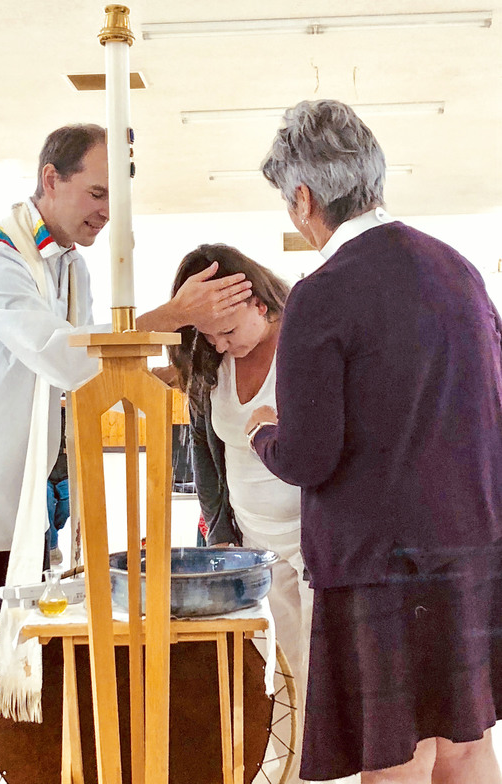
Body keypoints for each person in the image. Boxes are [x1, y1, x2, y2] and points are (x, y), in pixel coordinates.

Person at [0, 123, 252, 784]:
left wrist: (192, 382)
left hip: (27, 498)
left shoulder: (70, 267)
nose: (104, 212)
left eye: (115, 200)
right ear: (50, 178)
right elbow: (62, 353)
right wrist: (166, 315)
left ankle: (35, 769)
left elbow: (97, 374)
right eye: (96, 193)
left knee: (29, 654)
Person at [245, 98, 502, 784]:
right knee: (466, 742)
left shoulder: (323, 293)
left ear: (303, 198)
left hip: (378, 563)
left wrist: (265, 431)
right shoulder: (461, 273)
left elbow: (310, 455)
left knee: (397, 758)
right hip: (472, 544)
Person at [168, 243, 340, 784]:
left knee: (321, 671)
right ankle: (288, 769)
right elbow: (207, 455)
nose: (220, 344)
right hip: (255, 546)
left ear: (257, 301)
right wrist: (221, 532)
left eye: (225, 329)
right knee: (284, 668)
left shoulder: (304, 344)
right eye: (208, 334)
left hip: (316, 541)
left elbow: (327, 446)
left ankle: (321, 771)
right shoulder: (210, 363)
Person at [47, 404, 70, 566]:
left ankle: (53, 532)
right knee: (46, 502)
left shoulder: (70, 411)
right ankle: (52, 545)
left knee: (67, 506)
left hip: (67, 470)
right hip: (46, 472)